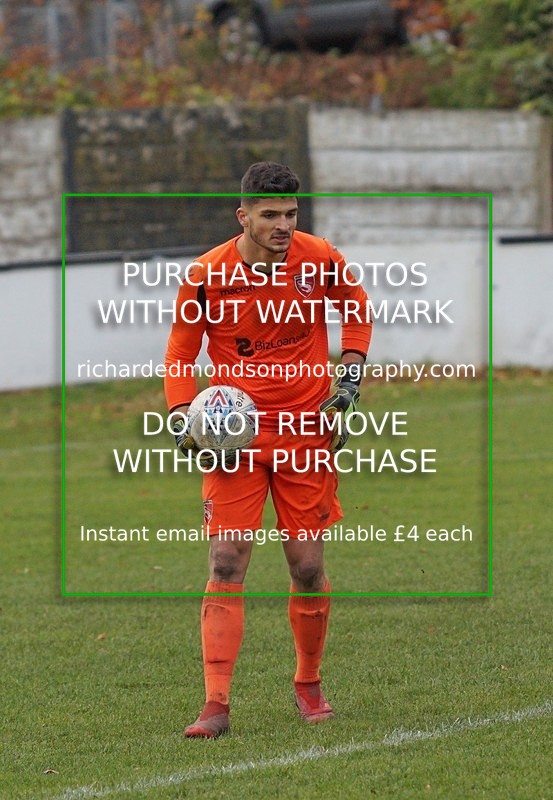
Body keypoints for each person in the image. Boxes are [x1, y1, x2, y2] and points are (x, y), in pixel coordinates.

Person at [164, 161, 372, 738]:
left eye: (291, 214)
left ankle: (308, 685)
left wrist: (349, 374)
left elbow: (356, 309)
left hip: (306, 430)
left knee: (306, 566)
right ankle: (215, 704)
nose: (283, 225)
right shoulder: (207, 274)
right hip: (236, 437)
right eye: (270, 215)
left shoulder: (319, 256)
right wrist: (184, 415)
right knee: (227, 560)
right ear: (244, 216)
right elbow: (180, 354)